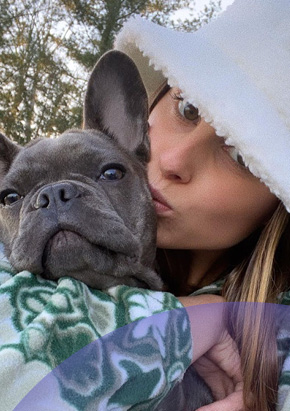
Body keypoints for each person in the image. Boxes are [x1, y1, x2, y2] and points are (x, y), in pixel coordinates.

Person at [113, 0, 290, 409]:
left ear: (277, 204)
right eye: (186, 107)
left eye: (243, 156)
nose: (173, 161)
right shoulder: (26, 238)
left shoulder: (273, 358)